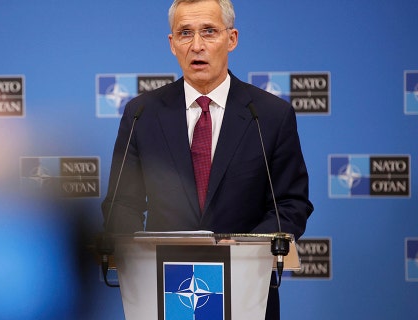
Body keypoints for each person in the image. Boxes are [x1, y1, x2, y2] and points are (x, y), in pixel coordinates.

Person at [101, 0, 314, 319]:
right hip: (164, 290)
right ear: (172, 44)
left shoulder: (270, 115)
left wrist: (244, 246)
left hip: (247, 291)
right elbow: (122, 204)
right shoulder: (141, 113)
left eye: (209, 32)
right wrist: (134, 255)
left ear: (232, 38)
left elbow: (291, 204)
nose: (196, 45)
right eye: (185, 33)